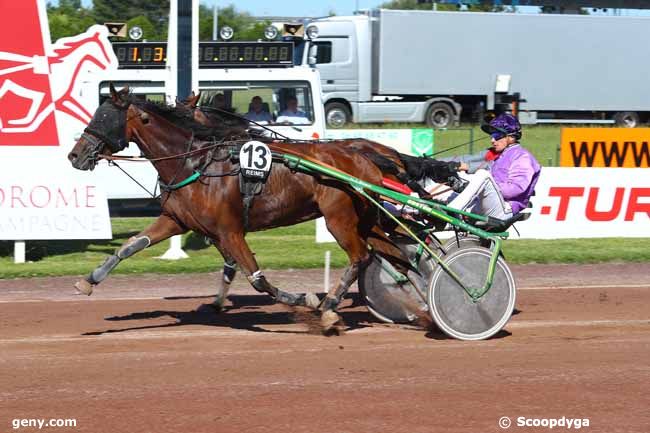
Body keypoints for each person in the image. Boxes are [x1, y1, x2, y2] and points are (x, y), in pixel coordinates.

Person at [441, 113, 541, 220]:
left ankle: (452, 210)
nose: (492, 140)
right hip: (488, 203)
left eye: (497, 136)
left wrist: (477, 188)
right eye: (492, 136)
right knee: (443, 195)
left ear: (511, 137)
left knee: (483, 175)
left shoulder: (523, 156)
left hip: (505, 209)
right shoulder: (500, 156)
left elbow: (514, 190)